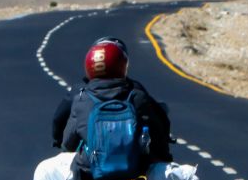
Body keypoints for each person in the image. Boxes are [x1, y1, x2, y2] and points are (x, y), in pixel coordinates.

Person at [51, 37, 173, 171]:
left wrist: (61, 144)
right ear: (122, 65)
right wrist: (164, 155)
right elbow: (158, 126)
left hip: (90, 168)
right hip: (133, 168)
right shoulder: (137, 94)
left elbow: (66, 135)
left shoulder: (81, 96)